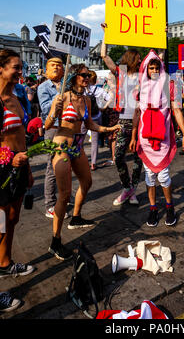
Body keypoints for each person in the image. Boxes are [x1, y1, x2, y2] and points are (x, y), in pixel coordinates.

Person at [45, 63, 120, 261]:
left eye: (88, 75)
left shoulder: (87, 99)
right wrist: (55, 111)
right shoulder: (62, 97)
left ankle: (76, 218)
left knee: (87, 182)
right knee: (64, 195)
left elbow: (90, 124)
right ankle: (55, 241)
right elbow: (47, 124)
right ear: (74, 77)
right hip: (61, 147)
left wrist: (109, 129)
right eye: (84, 75)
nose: (87, 78)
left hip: (78, 147)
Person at [129, 51, 184, 227]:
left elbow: (177, 110)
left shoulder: (169, 85)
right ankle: (153, 209)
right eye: (151, 68)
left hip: (163, 137)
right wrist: (133, 136)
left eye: (157, 67)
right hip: (145, 138)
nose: (154, 71)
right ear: (146, 70)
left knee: (163, 176)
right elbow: (137, 113)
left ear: (161, 68)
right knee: (149, 178)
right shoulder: (140, 87)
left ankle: (170, 207)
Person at [0, 49, 35, 280]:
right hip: (2, 169)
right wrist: (7, 157)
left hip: (20, 166)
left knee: (13, 218)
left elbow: (21, 134)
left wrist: (27, 167)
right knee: (0, 224)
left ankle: (5, 263)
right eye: (16, 67)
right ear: (0, 69)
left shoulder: (17, 95)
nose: (20, 71)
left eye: (21, 67)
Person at [100, 23, 143, 206]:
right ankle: (127, 188)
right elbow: (104, 56)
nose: (141, 60)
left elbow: (159, 60)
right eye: (139, 58)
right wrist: (106, 35)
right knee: (118, 157)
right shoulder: (121, 73)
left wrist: (160, 39)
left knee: (138, 157)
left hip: (140, 120)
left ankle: (132, 190)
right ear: (132, 58)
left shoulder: (144, 75)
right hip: (123, 119)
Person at [37, 57, 65, 219]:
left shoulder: (65, 86)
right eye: (52, 65)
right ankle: (49, 203)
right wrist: (58, 99)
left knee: (65, 166)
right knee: (52, 167)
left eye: (59, 65)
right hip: (52, 130)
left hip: (67, 129)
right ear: (46, 70)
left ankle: (62, 196)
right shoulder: (43, 87)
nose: (56, 67)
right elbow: (46, 108)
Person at [82, 70, 110, 171]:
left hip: (84, 117)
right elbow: (110, 98)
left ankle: (80, 159)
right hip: (96, 117)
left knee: (80, 139)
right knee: (94, 141)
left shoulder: (81, 90)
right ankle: (93, 163)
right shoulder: (99, 90)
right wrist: (103, 107)